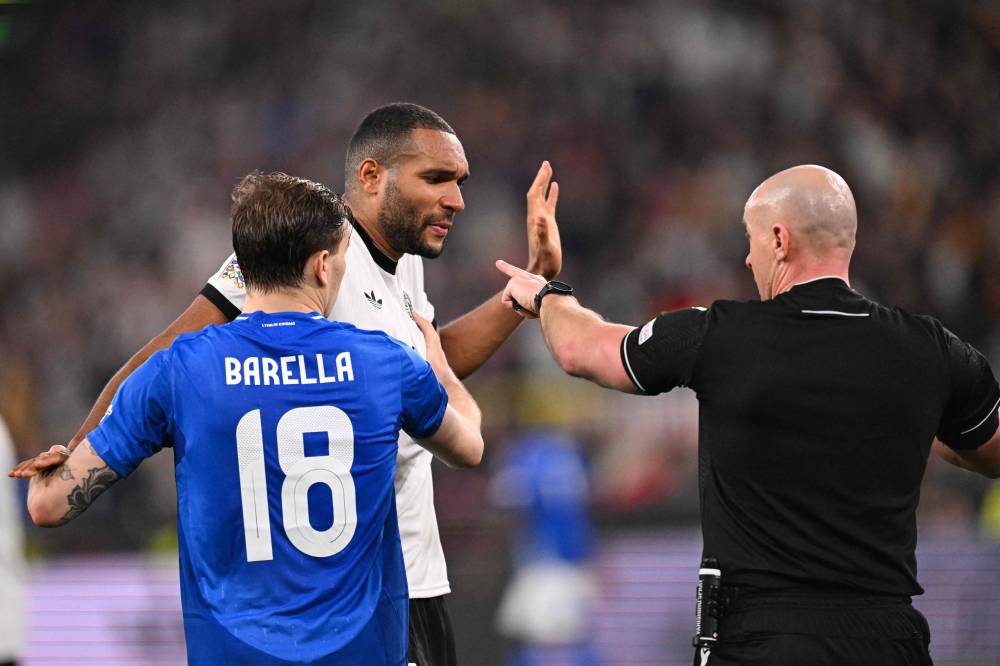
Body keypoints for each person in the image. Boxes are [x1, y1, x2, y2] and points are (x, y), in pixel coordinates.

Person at [13, 102, 562, 665]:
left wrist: (526, 291)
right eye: (436, 179)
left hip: (404, 577)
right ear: (371, 177)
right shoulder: (306, 249)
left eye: (460, 182)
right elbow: (163, 353)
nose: (457, 199)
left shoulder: (402, 261)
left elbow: (432, 366)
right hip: (349, 594)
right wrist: (78, 449)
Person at [496, 164, 1000, 665]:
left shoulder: (720, 335)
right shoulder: (929, 349)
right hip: (888, 640)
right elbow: (991, 452)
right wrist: (907, 422)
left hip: (763, 640)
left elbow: (582, 350)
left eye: (752, 239)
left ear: (779, 240)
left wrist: (545, 291)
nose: (747, 255)